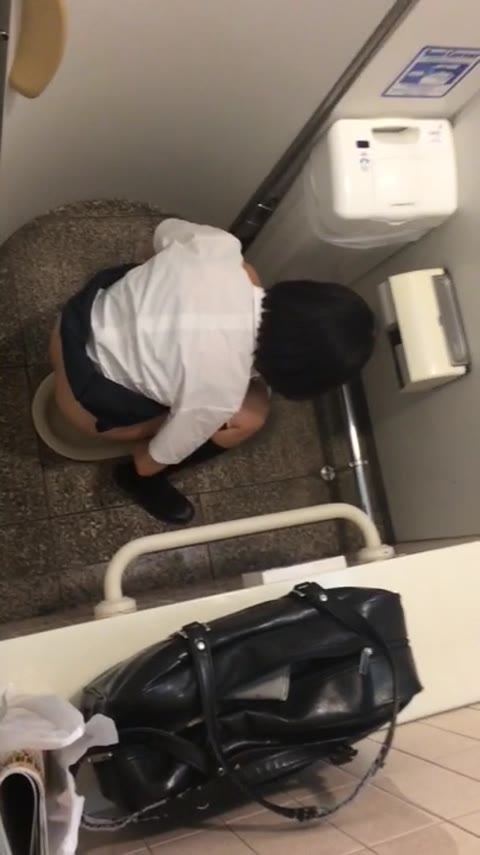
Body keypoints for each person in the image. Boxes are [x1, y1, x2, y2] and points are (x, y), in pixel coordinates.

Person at [49, 218, 375, 525]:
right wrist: (153, 459)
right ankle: (134, 483)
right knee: (251, 415)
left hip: (72, 324)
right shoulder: (220, 394)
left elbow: (161, 234)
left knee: (247, 274)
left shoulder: (220, 247)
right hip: (80, 402)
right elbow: (150, 458)